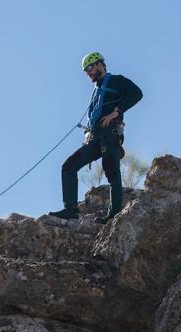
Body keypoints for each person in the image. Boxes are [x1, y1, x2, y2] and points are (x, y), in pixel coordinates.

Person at [50, 52, 143, 223]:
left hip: (110, 133)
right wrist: (88, 132)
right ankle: (70, 209)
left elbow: (137, 93)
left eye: (91, 67)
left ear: (101, 64)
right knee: (68, 166)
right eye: (86, 70)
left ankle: (114, 214)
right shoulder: (96, 91)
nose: (89, 72)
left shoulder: (116, 80)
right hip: (96, 136)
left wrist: (117, 111)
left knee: (110, 168)